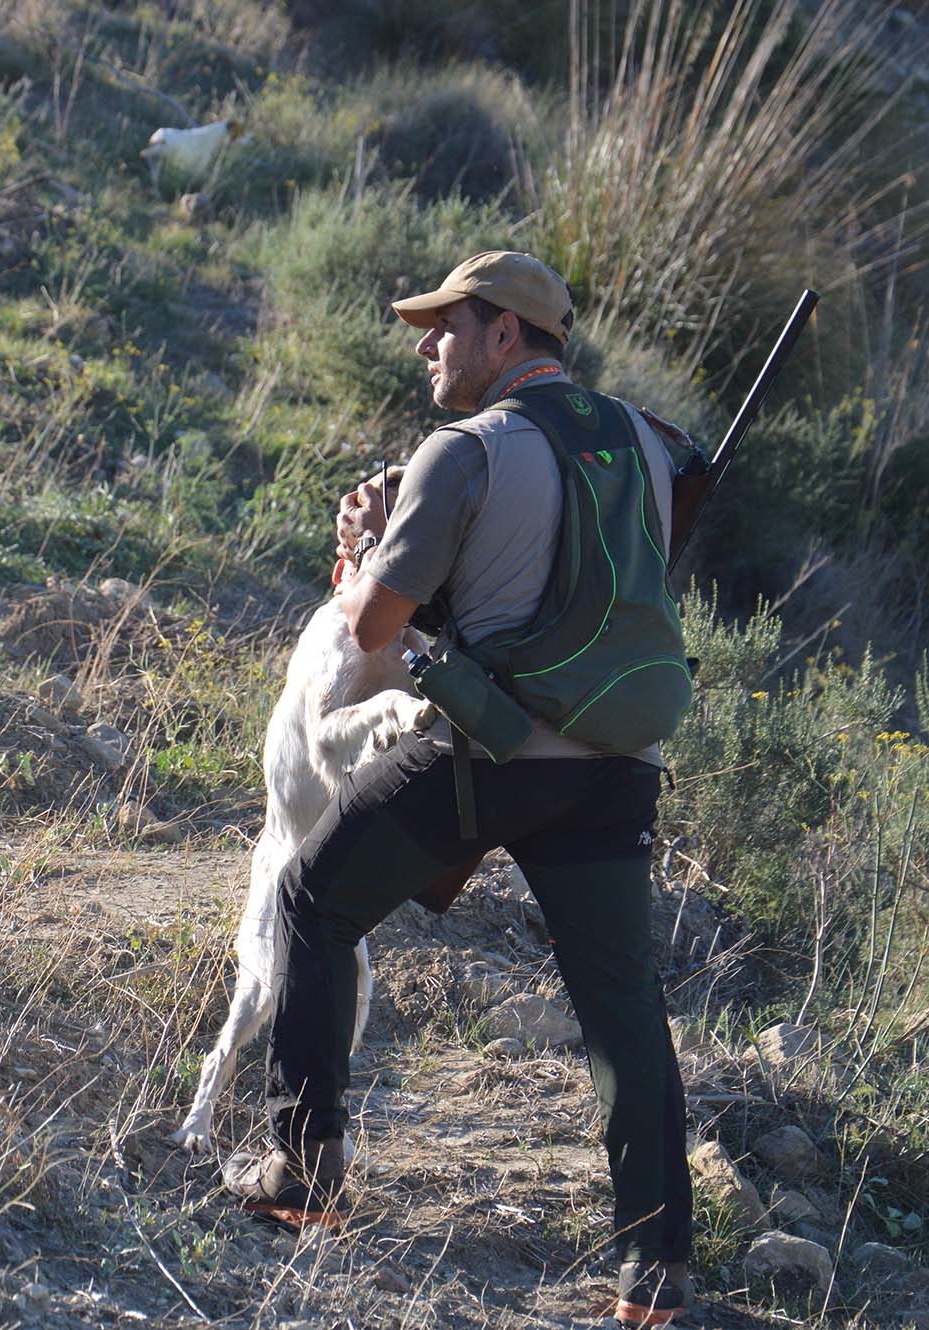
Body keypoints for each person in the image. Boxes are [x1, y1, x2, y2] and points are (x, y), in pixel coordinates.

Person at [224, 251, 694, 1327]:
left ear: (506, 337)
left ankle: (304, 1170)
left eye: (447, 325)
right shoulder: (645, 442)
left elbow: (373, 629)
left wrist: (365, 547)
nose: (425, 344)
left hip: (493, 759)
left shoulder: (466, 450)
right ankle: (655, 1270)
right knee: (621, 1002)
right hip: (620, 767)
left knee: (308, 899)